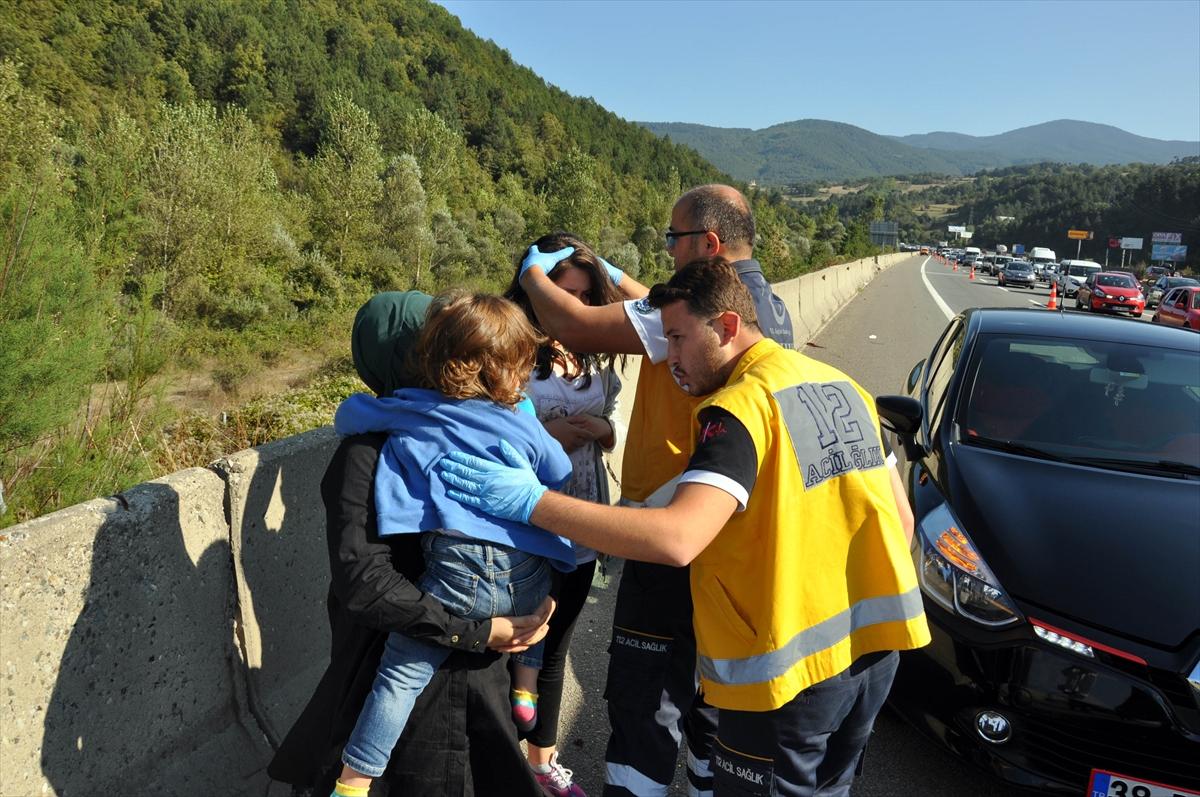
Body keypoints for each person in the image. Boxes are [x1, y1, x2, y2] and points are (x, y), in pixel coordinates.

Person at [437, 258, 931, 797]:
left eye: (676, 337)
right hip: (876, 660)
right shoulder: (844, 386)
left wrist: (532, 503)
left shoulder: (739, 409)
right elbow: (901, 521)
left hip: (791, 681)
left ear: (725, 326)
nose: (669, 357)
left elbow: (677, 538)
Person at [517, 184, 794, 796]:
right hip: (731, 529)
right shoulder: (764, 309)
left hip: (667, 526)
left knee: (646, 691)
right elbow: (655, 303)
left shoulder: (683, 319)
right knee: (706, 688)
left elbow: (574, 324)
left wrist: (533, 274)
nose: (667, 251)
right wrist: (613, 273)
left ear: (710, 244)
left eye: (674, 239)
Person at [267, 291, 554, 797]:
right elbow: (366, 584)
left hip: (411, 681)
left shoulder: (372, 444)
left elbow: (363, 584)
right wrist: (479, 630)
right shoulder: (385, 449)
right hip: (447, 691)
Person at [504, 232, 634, 797]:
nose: (574, 310)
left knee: (555, 644)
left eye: (585, 296)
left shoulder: (594, 353)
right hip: (525, 523)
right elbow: (487, 432)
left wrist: (601, 430)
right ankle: (501, 756)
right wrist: (551, 435)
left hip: (585, 516)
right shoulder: (506, 350)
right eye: (563, 294)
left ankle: (541, 762)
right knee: (513, 644)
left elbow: (613, 428)